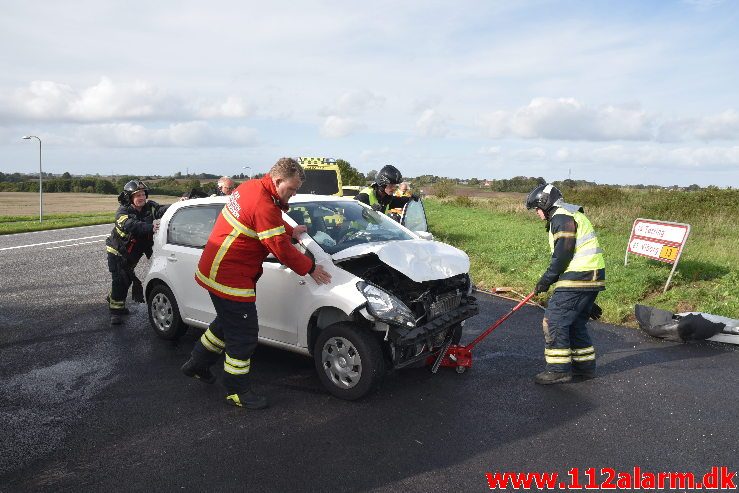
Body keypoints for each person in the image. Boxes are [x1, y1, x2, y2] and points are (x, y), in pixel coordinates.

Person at [182, 158, 332, 410]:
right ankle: (236, 390)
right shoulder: (264, 203)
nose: (293, 195)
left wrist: (289, 230)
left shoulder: (252, 188)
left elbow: (266, 221)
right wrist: (310, 268)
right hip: (229, 276)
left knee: (226, 323)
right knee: (244, 334)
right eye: (291, 189)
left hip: (216, 270)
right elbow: (280, 249)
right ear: (277, 181)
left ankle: (197, 364)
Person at [525, 183, 605, 385]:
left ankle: (558, 370)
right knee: (575, 323)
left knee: (553, 321)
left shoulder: (561, 218)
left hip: (579, 276)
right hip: (590, 277)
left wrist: (546, 280)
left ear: (544, 203)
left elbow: (563, 255)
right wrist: (584, 299)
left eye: (536, 208)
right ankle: (585, 369)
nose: (536, 212)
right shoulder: (570, 214)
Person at [105, 180, 169, 326]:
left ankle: (113, 298)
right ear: (129, 198)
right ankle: (116, 312)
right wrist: (150, 228)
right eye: (137, 195)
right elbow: (130, 225)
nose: (141, 197)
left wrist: (179, 204)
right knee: (120, 280)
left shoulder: (150, 207)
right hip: (118, 252)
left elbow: (162, 210)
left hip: (133, 254)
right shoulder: (122, 211)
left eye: (143, 194)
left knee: (126, 279)